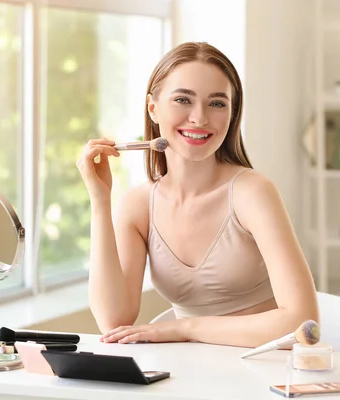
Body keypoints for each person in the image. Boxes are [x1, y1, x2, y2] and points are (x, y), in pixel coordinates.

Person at [76, 42, 318, 348]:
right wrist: (100, 203)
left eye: (217, 104)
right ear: (153, 108)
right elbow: (114, 321)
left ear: (232, 114)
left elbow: (303, 321)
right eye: (182, 100)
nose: (200, 118)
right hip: (189, 374)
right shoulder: (138, 206)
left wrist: (184, 328)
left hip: (266, 371)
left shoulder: (253, 193)